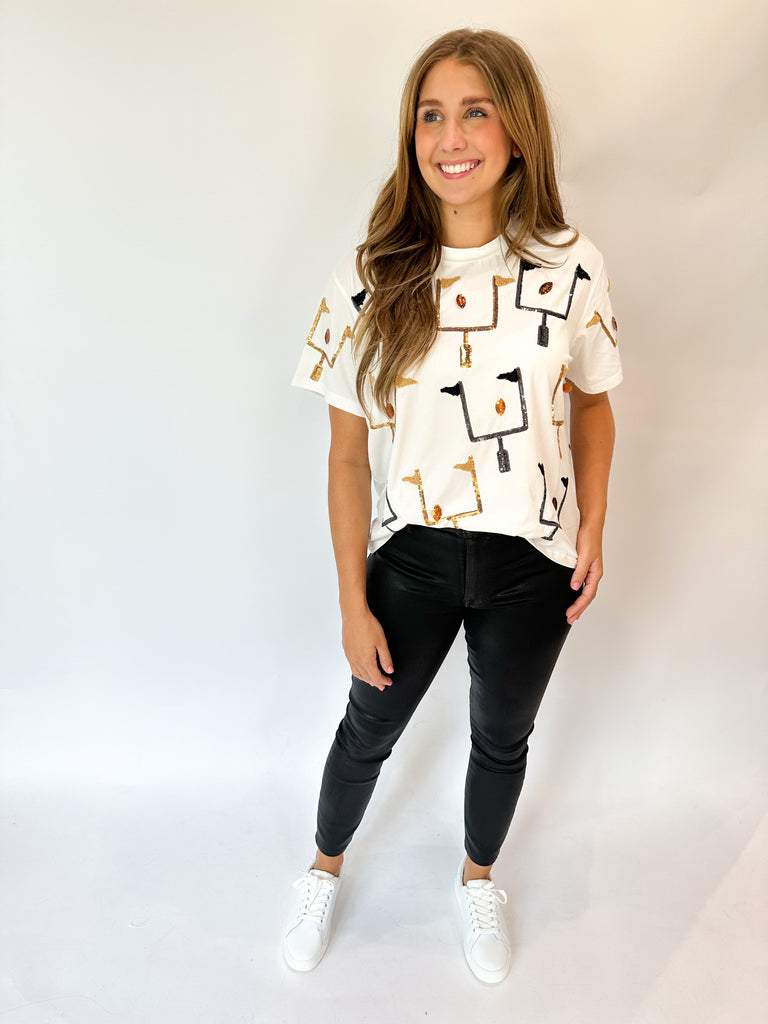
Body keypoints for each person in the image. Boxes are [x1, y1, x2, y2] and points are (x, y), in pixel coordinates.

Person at [285, 27, 621, 984]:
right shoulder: (370, 276)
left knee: (501, 739)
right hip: (415, 561)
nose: (451, 136)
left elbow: (595, 405)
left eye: (476, 111)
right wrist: (353, 602)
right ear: (412, 135)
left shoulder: (570, 265)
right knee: (367, 730)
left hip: (534, 563)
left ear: (517, 131)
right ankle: (323, 867)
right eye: (431, 115)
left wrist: (594, 526)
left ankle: (478, 880)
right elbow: (346, 457)